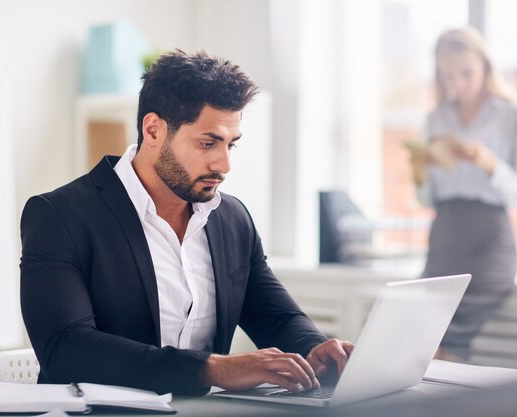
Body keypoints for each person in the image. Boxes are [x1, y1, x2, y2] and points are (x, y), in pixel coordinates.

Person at [20, 50, 354, 396]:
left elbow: (278, 318)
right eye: (207, 143)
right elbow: (65, 349)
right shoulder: (59, 216)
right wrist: (212, 368)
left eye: (230, 145)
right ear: (153, 130)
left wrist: (319, 349)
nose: (223, 165)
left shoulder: (231, 219)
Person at [413, 27, 517, 361]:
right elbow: (427, 200)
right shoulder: (435, 118)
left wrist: (490, 164)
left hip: (489, 243)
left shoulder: (513, 114)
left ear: (484, 66)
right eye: (448, 74)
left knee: (442, 343)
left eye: (466, 72)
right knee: (420, 336)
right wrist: (420, 171)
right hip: (444, 239)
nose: (458, 83)